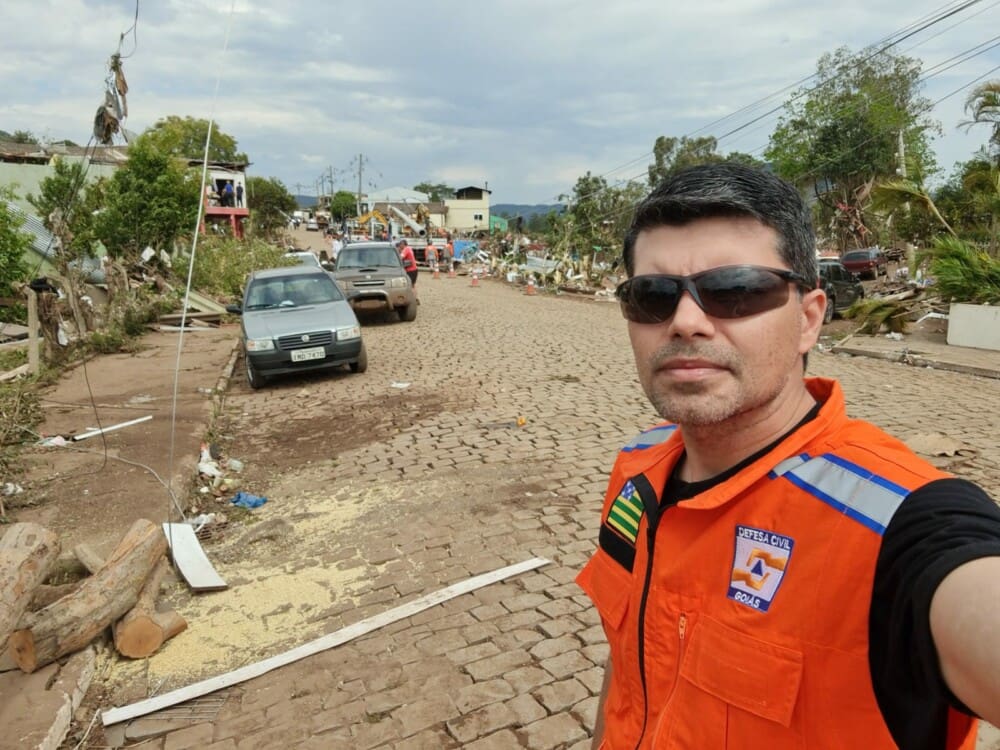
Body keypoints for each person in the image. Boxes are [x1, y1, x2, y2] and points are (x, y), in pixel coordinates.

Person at [576, 163, 1000, 750]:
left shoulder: (899, 522)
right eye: (653, 296)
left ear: (808, 319)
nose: (686, 322)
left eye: (735, 290)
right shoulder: (637, 470)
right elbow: (627, 661)